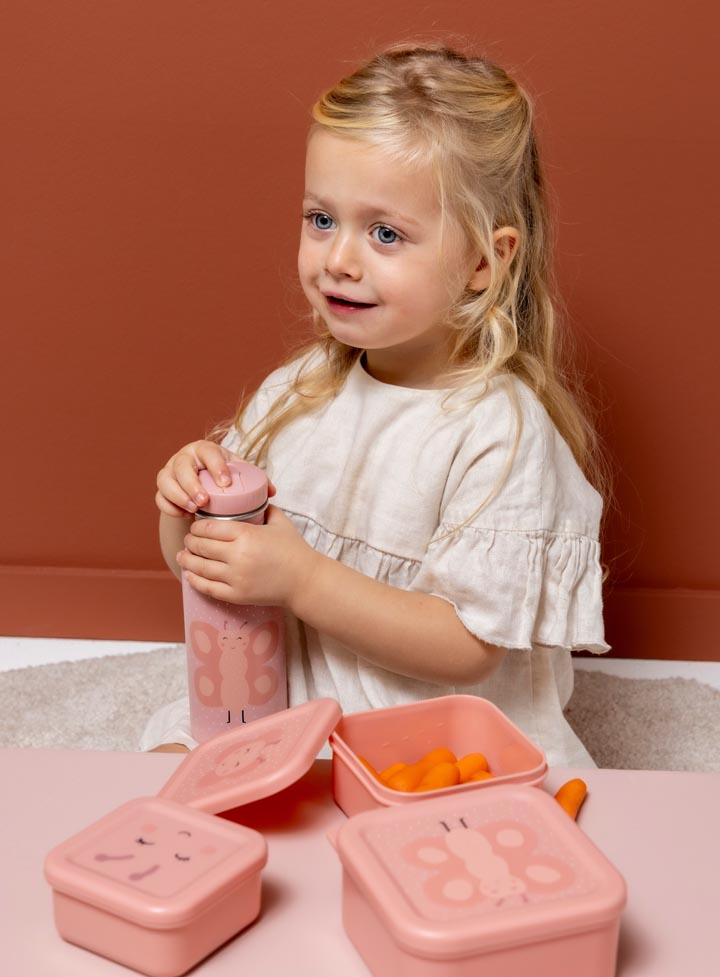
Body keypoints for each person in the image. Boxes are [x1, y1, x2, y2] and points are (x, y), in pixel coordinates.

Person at [141, 42, 609, 765]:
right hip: (285, 698)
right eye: (321, 220)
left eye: (385, 233)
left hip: (425, 726)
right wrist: (187, 515)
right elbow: (209, 570)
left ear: (483, 263)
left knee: (435, 839)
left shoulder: (500, 430)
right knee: (170, 777)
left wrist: (304, 579)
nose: (338, 259)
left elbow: (468, 646)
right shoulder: (297, 392)